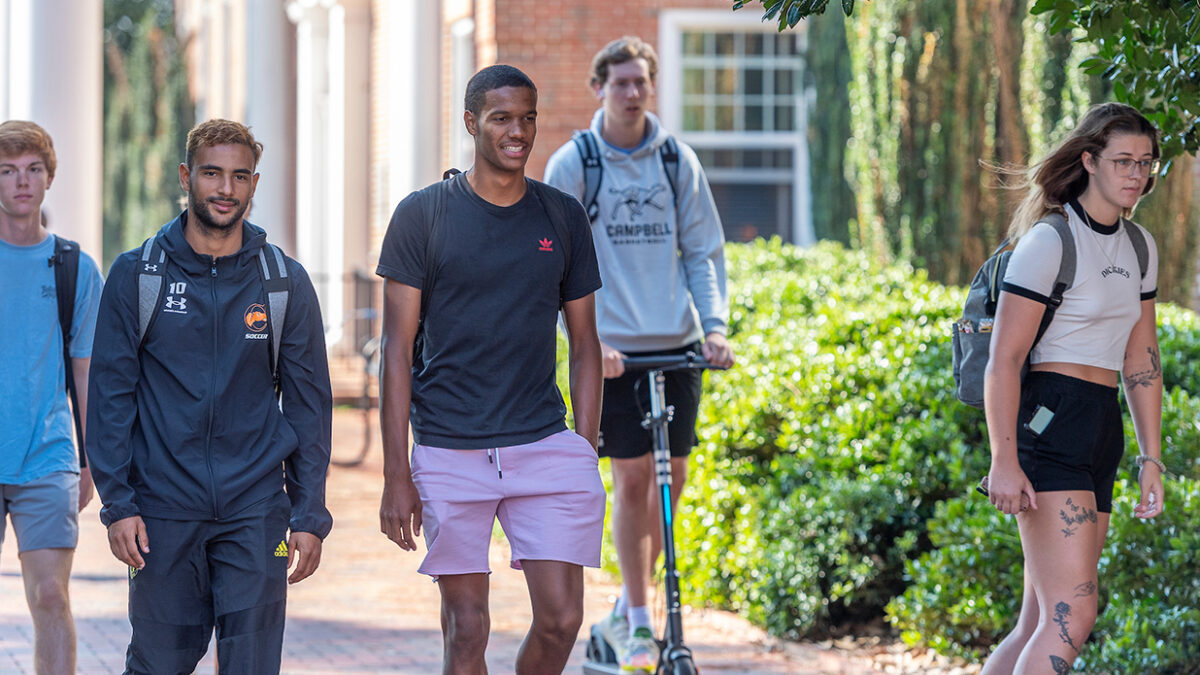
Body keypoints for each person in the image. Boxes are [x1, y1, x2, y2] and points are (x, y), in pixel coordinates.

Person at [377, 64, 605, 674]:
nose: (518, 132)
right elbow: (396, 351)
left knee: (561, 622)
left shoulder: (561, 217)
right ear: (472, 123)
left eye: (528, 117)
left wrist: (583, 447)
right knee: (468, 630)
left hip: (544, 444)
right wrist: (396, 471)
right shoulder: (422, 216)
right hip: (451, 448)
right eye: (502, 118)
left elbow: (584, 343)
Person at [86, 119, 333, 675]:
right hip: (162, 512)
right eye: (212, 173)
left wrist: (309, 511)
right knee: (158, 664)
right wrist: (118, 504)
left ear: (253, 183)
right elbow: (109, 399)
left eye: (239, 176)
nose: (226, 189)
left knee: (251, 666)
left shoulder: (282, 282)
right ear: (186, 176)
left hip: (255, 510)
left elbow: (308, 406)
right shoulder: (137, 275)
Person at [543, 35, 735, 671]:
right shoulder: (576, 164)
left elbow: (703, 251)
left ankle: (632, 609)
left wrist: (714, 327)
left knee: (670, 482)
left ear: (652, 87)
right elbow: (556, 266)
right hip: (613, 351)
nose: (631, 93)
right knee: (630, 481)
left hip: (676, 346)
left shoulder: (677, 161)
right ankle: (640, 613)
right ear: (599, 87)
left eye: (641, 83)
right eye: (620, 82)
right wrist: (589, 344)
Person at [980, 102, 1165, 674]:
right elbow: (1004, 360)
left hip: (1101, 423)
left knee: (1040, 619)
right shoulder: (1049, 242)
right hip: (1048, 420)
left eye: (1147, 163)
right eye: (1123, 161)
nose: (1136, 174)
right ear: (1089, 161)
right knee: (1072, 614)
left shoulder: (1140, 247)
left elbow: (1141, 357)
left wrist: (1150, 455)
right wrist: (1004, 460)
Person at [0, 120, 103, 675]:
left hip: (47, 457)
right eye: (8, 171)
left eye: (32, 170)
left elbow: (86, 373)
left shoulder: (74, 269)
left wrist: (93, 458)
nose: (22, 182)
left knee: (49, 598)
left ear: (48, 178)